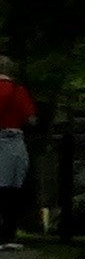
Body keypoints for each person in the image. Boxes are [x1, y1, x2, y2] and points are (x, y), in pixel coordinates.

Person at [0, 52, 33, 244]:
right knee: (12, 186)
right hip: (13, 140)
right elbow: (31, 119)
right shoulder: (18, 91)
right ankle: (8, 232)